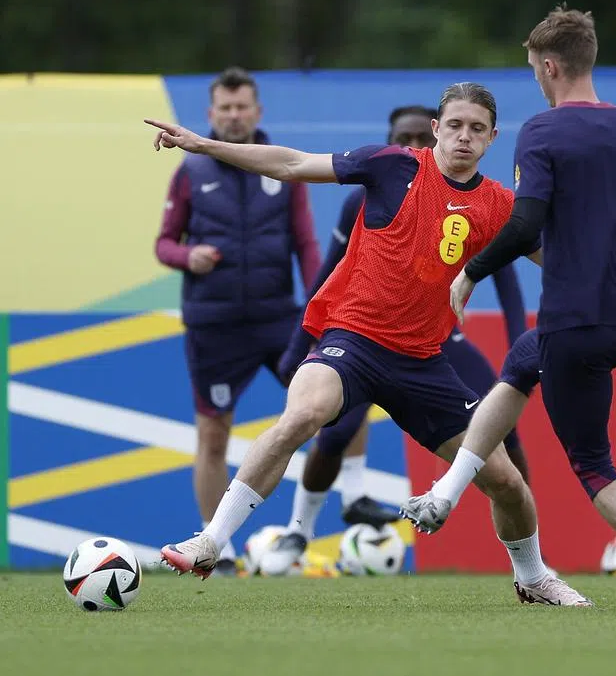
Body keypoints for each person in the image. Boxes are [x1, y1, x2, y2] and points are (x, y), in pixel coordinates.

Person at [148, 82, 591, 606]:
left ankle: (533, 576)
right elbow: (290, 164)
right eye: (454, 125)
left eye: (477, 129)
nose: (464, 137)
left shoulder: (499, 205)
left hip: (423, 361)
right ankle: (210, 542)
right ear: (436, 129)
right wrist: (205, 145)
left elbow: (564, 263)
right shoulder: (391, 166)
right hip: (351, 339)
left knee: (506, 481)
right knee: (303, 414)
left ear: (493, 138)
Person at [401, 7, 616, 614]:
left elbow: (526, 222)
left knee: (593, 465)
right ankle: (446, 492)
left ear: (549, 66)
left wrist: (470, 272)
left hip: (573, 321)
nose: (535, 79)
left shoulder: (544, 133)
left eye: (534, 69)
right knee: (522, 363)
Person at [259, 104, 530, 576]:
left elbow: (504, 277)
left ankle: (523, 547)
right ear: (403, 139)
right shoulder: (378, 183)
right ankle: (301, 528)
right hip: (365, 334)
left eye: (473, 129)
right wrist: (301, 342)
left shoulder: (484, 200)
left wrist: (519, 349)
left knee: (500, 422)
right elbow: (332, 267)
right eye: (411, 138)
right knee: (332, 430)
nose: (421, 147)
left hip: (435, 340)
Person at [154, 66, 320, 576]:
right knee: (212, 437)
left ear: (257, 111)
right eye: (224, 108)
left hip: (279, 321)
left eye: (241, 106)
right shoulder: (189, 172)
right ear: (210, 115)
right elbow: (164, 244)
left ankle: (304, 527)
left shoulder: (281, 168)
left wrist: (322, 301)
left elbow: (306, 244)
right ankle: (216, 552)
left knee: (329, 409)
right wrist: (189, 258)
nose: (233, 114)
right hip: (215, 326)